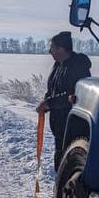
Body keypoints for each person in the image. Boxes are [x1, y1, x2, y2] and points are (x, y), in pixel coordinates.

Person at [36, 31, 91, 172]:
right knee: (59, 164)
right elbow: (52, 90)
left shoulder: (78, 66)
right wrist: (46, 102)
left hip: (73, 127)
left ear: (61, 49)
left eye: (52, 47)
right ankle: (58, 190)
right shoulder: (57, 65)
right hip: (58, 126)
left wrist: (50, 103)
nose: (50, 51)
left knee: (69, 167)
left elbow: (74, 96)